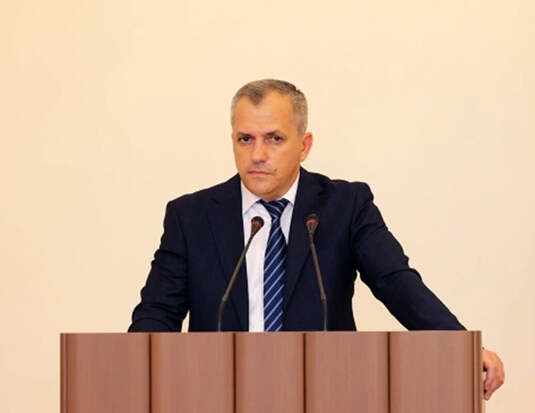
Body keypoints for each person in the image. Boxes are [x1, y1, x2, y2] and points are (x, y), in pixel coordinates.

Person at [129, 79, 505, 399]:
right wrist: (134, 371)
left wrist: (461, 347)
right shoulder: (191, 217)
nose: (257, 154)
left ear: (304, 145)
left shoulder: (345, 206)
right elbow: (158, 313)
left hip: (326, 394)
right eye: (245, 139)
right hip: (217, 395)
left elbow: (396, 282)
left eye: (274, 139)